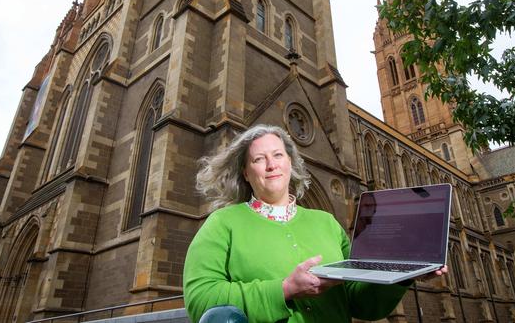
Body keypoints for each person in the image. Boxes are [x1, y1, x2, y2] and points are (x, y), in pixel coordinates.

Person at [183, 124, 447, 322]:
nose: (271, 165)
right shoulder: (222, 223)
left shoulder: (327, 223)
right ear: (245, 172)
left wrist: (402, 276)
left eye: (278, 155)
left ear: (291, 163)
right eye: (259, 159)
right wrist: (285, 289)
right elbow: (200, 301)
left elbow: (361, 303)